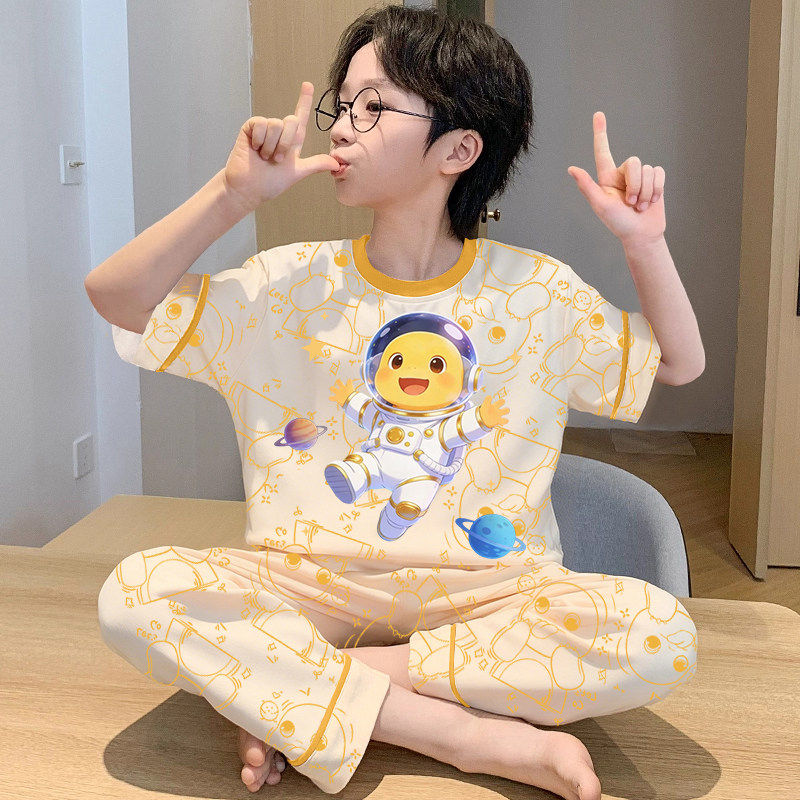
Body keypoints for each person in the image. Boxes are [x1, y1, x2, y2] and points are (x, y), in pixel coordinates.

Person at [87, 6, 704, 799]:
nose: (342, 127)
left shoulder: (538, 294)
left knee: (660, 635)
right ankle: (463, 735)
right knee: (135, 595)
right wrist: (232, 196)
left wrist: (644, 241)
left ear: (457, 149)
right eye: (343, 105)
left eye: (373, 107)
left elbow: (677, 364)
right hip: (302, 590)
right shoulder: (285, 283)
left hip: (494, 597)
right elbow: (116, 297)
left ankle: (298, 691)